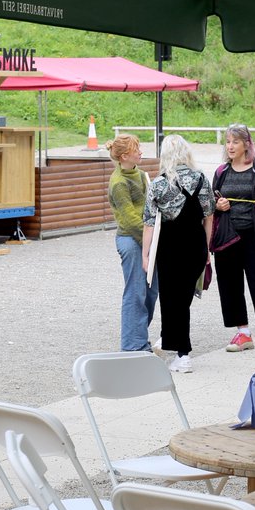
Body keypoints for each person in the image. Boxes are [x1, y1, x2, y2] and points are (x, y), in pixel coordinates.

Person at [142, 135, 214, 373]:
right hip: (195, 245)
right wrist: (207, 249)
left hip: (168, 248)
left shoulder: (158, 184)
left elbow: (149, 223)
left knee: (172, 298)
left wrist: (146, 255)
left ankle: (183, 355)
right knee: (182, 299)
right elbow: (209, 215)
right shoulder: (201, 179)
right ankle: (168, 339)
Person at [210, 123, 255, 357]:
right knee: (229, 287)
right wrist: (218, 205)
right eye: (228, 142)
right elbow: (213, 200)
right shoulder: (222, 172)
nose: (230, 146)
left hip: (253, 236)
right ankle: (243, 333)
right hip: (227, 237)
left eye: (235, 142)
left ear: (246, 145)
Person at [106, 134, 159, 352]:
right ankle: (132, 346)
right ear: (125, 156)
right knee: (135, 291)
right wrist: (152, 243)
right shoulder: (119, 183)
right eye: (137, 149)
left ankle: (138, 337)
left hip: (146, 238)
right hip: (131, 239)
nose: (141, 152)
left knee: (151, 291)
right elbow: (130, 219)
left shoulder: (140, 174)